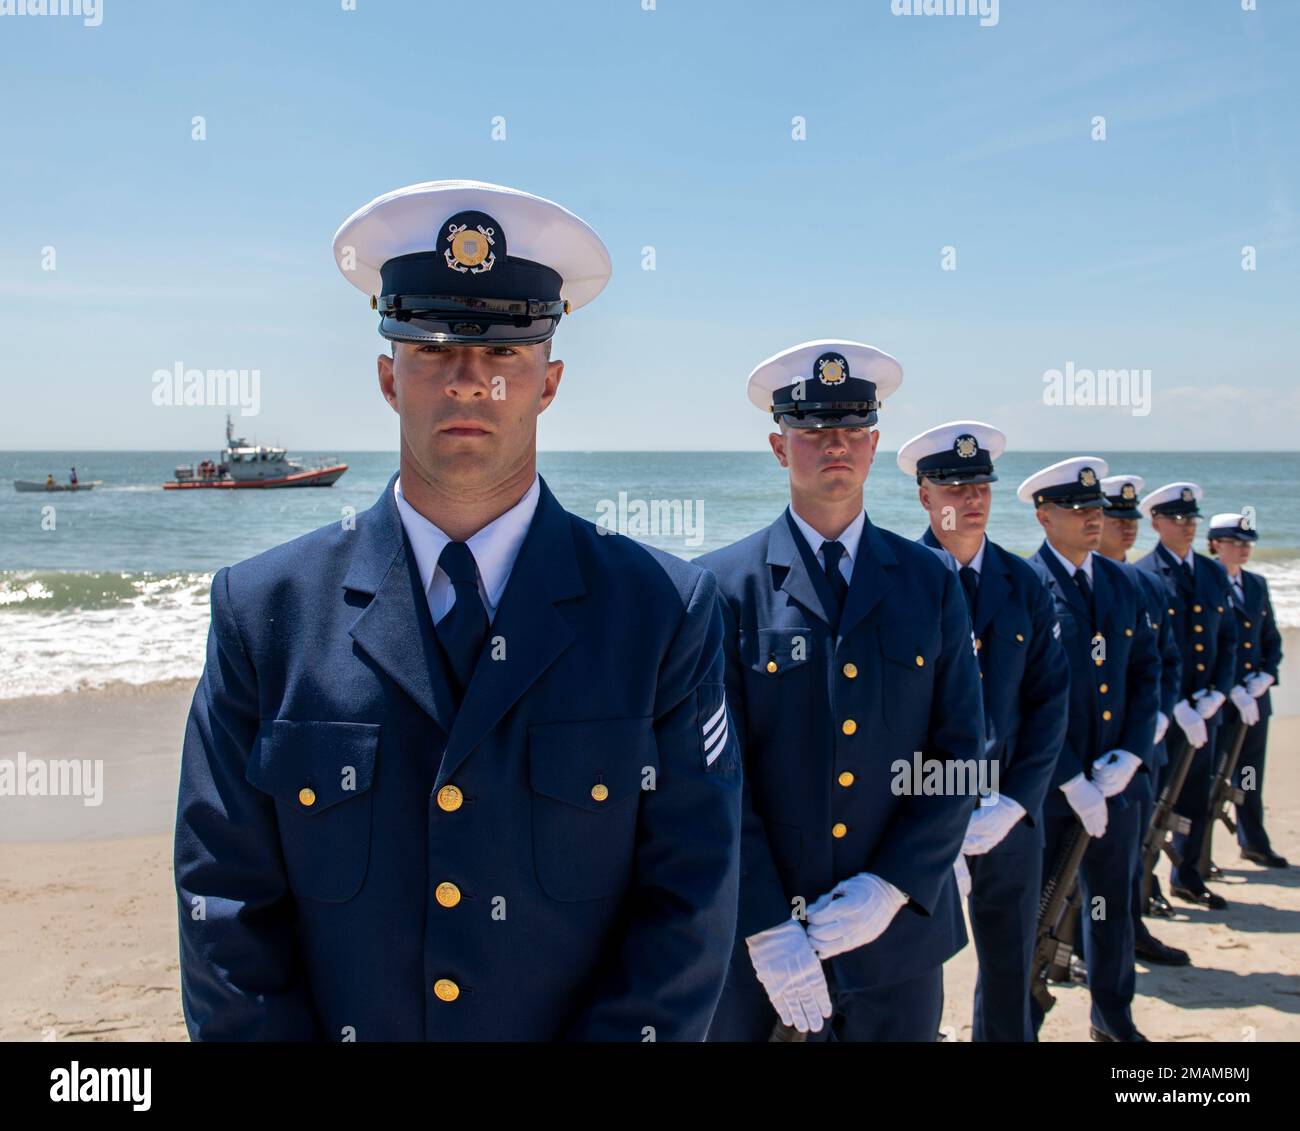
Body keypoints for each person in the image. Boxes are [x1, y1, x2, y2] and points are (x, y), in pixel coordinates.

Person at [174, 180, 743, 1041]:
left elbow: (689, 899)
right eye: (433, 346)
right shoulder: (265, 615)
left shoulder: (661, 613)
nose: (471, 380)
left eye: (507, 351)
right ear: (385, 375)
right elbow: (225, 906)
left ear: (549, 382)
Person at [701, 341, 985, 1042]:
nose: (836, 444)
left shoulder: (930, 581)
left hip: (900, 943)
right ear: (778, 445)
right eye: (813, 429)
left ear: (875, 443)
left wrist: (892, 883)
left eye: (853, 428)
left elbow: (958, 752)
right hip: (762, 952)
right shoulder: (720, 588)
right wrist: (766, 922)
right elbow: (710, 776)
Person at [895, 421, 1069, 1042]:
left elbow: (1049, 702)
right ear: (923, 495)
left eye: (980, 484)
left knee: (1009, 966)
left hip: (1009, 816)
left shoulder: (1025, 584)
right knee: (915, 974)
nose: (971, 497)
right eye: (953, 483)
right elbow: (890, 718)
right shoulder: (898, 579)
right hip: (918, 819)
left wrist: (1016, 802)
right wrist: (940, 808)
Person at [1019, 457, 1159, 1043]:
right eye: (1077, 510)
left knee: (1113, 909)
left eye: (1096, 509)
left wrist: (1131, 753)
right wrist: (1072, 777)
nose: (1093, 519)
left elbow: (1146, 671)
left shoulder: (1126, 582)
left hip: (1118, 785)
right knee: (1035, 920)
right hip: (1053, 792)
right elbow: (1022, 698)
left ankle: (1112, 1017)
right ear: (1044, 516)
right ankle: (1021, 1023)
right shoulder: (1023, 585)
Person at [1097, 475, 1189, 965]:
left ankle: (1131, 931)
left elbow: (1164, 661)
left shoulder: (1147, 586)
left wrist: (1155, 717)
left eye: (1132, 520)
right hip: (1088, 754)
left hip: (1138, 746)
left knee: (1130, 853)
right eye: (1117, 519)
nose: (1126, 529)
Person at [1134, 482, 1237, 910]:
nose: (1187, 526)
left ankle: (1189, 875)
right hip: (1165, 711)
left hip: (1205, 707)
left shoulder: (1213, 573)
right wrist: (1173, 704)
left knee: (1197, 795)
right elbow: (1150, 651)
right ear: (1156, 523)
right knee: (1157, 799)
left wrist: (1219, 693)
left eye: (1192, 519)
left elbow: (1228, 639)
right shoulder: (1143, 573)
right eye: (1178, 519)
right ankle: (1146, 885)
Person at [1205, 512, 1286, 868]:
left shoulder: (1255, 584)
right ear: (1215, 545)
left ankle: (1252, 840)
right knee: (1207, 779)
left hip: (1254, 699)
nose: (1243, 549)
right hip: (1220, 701)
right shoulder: (1206, 584)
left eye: (1247, 543)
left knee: (1250, 773)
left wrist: (1265, 676)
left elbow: (1269, 638)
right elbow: (1208, 647)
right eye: (1235, 542)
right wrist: (1232, 688)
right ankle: (1198, 857)